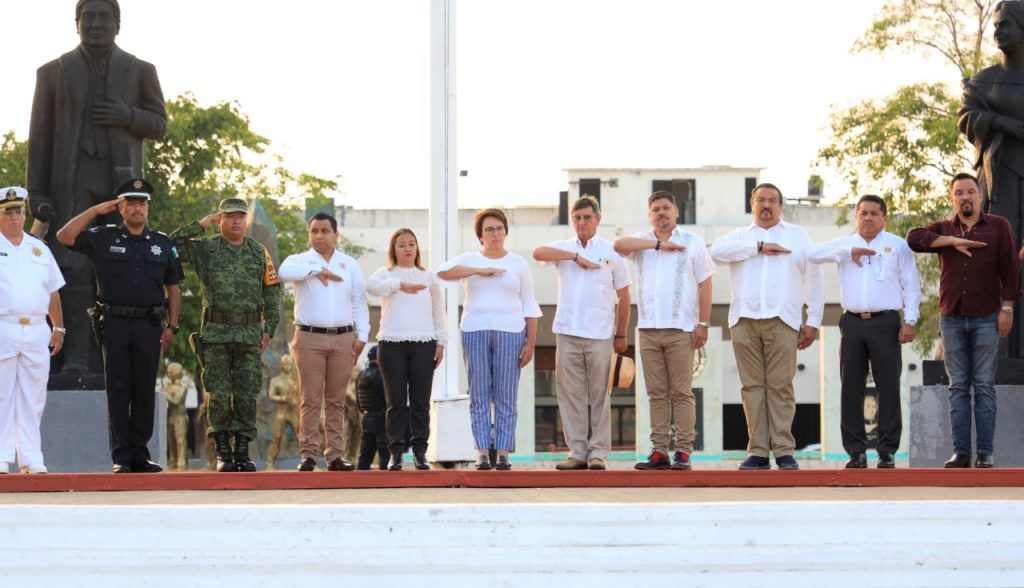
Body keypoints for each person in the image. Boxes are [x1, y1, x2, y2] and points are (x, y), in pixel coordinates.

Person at [27, 0, 166, 375]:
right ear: (76, 24)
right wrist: (35, 192)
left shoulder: (139, 70)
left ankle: (110, 355)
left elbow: (159, 124)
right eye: (88, 17)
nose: (96, 24)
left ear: (118, 24)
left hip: (120, 186)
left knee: (121, 266)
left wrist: (127, 115)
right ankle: (75, 356)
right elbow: (39, 138)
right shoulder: (53, 73)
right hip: (69, 182)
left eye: (105, 17)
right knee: (71, 266)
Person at [56, 178, 181, 473]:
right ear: (120, 208)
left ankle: (141, 454)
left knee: (144, 390)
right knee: (119, 389)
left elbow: (173, 287)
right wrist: (95, 210)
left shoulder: (162, 243)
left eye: (142, 203)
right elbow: (64, 236)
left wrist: (172, 326)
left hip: (149, 325)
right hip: (114, 324)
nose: (137, 208)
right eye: (130, 203)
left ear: (147, 208)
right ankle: (122, 456)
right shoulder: (103, 237)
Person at [907, 173, 1021, 468]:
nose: (965, 197)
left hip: (987, 317)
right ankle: (961, 453)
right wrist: (951, 241)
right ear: (952, 198)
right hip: (952, 319)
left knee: (983, 385)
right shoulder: (942, 229)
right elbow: (913, 238)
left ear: (980, 196)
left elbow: (1011, 269)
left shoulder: (998, 225)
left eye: (970, 191)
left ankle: (985, 454)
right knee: (957, 387)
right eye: (959, 193)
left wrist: (1007, 308)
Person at [710, 183, 824, 471]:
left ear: (781, 206)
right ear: (752, 204)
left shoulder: (798, 236)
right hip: (744, 320)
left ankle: (784, 451)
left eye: (772, 200)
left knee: (780, 387)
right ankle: (758, 452)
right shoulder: (740, 237)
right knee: (751, 388)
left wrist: (813, 321)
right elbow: (715, 253)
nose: (766, 205)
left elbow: (813, 279)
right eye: (760, 200)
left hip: (782, 320)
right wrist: (758, 247)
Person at [807, 195, 921, 469]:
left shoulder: (898, 246)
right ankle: (855, 452)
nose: (868, 218)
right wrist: (848, 252)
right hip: (852, 323)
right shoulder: (844, 244)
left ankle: (887, 451)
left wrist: (910, 320)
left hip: (886, 323)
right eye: (863, 213)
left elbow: (911, 284)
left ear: (884, 217)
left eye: (874, 213)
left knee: (888, 387)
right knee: (851, 387)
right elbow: (811, 255)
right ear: (856, 216)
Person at [169, 198, 281, 472]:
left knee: (246, 395)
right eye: (230, 216)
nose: (236, 221)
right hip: (216, 335)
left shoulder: (258, 251)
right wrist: (201, 224)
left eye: (240, 216)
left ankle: (242, 451)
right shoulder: (206, 249)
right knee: (218, 395)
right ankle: (223, 453)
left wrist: (269, 328)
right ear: (220, 219)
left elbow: (271, 290)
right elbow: (170, 247)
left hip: (249, 335)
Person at [614, 191, 712, 471]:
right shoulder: (642, 242)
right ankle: (659, 451)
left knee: (681, 392)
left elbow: (706, 283)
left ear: (676, 212)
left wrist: (703, 323)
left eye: (666, 207)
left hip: (681, 329)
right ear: (649, 215)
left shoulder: (692, 241)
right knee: (656, 393)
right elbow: (619, 245)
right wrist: (657, 244)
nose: (661, 213)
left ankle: (683, 451)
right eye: (655, 209)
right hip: (648, 329)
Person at [438, 208, 541, 471]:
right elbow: (442, 272)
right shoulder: (470, 259)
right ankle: (482, 451)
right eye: (488, 229)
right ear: (480, 235)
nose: (495, 234)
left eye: (499, 228)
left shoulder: (518, 263)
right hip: (475, 330)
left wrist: (530, 342)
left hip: (511, 332)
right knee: (479, 393)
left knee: (506, 393)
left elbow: (529, 303)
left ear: (506, 232)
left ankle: (504, 452)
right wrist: (478, 271)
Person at [534, 196, 631, 471]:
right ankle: (577, 452)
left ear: (598, 219)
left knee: (600, 395)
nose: (582, 223)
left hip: (600, 333)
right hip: (567, 331)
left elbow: (624, 295)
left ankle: (598, 453)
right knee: (570, 394)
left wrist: (621, 334)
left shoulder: (612, 251)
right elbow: (538, 253)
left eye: (587, 217)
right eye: (577, 218)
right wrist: (574, 257)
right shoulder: (564, 248)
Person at [278, 212, 368, 472]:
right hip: (309, 337)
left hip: (343, 337)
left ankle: (335, 455)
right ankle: (308, 455)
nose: (319, 236)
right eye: (314, 231)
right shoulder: (300, 261)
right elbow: (283, 272)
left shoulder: (349, 264)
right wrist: (317, 270)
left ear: (335, 234)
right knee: (310, 398)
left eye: (325, 231)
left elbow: (359, 301)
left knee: (337, 400)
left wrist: (363, 335)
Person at [959, 0, 1024, 358]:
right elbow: (966, 116)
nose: (997, 31)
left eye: (1005, 24)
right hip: (1000, 179)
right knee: (998, 254)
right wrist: (1003, 123)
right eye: (996, 25)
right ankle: (998, 350)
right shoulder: (984, 80)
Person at [367, 228, 447, 471]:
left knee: (421, 401)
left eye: (411, 243)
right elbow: (371, 287)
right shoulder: (386, 274)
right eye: (401, 244)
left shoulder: (428, 276)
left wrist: (441, 342)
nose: (407, 248)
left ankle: (420, 452)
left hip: (424, 343)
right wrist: (400, 284)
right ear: (394, 249)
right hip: (392, 344)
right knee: (396, 401)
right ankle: (396, 452)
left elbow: (438, 311)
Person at [0, 187, 65, 475]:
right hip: (3, 326)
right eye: (8, 212)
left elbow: (52, 290)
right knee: (2, 393)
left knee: (33, 395)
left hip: (37, 327)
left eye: (18, 211)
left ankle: (30, 457)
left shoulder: (39, 248)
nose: (15, 217)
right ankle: (1, 456)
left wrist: (58, 326)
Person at [355, 345, 388, 471]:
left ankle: (360, 479)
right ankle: (387, 480)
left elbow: (358, 401)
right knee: (384, 454)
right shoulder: (382, 375)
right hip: (381, 418)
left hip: (366, 418)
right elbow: (387, 398)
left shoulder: (361, 375)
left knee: (365, 455)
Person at [266, 354, 300, 470]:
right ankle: (270, 462)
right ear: (281, 365)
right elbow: (271, 395)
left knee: (301, 437)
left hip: (293, 413)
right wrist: (283, 398)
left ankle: (308, 460)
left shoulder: (296, 380)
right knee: (276, 437)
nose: (287, 366)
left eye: (289, 364)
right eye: (285, 364)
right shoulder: (275, 380)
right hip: (281, 413)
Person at [160, 362, 190, 471]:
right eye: (169, 372)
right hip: (171, 415)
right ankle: (173, 461)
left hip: (180, 416)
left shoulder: (182, 388)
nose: (169, 374)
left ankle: (181, 463)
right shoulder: (169, 387)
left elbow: (176, 401)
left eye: (171, 371)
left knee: (180, 440)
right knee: (171, 440)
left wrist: (165, 394)